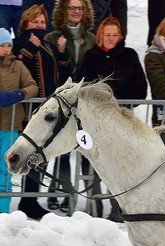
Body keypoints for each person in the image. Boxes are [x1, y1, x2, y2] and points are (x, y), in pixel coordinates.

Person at [81, 16, 147, 221]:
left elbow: (140, 88)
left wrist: (120, 100)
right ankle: (94, 205)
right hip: (94, 120)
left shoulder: (129, 55)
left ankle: (117, 207)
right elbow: (81, 85)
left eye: (114, 35)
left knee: (117, 165)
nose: (111, 38)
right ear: (100, 35)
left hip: (120, 121)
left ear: (120, 36)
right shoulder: (91, 56)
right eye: (107, 34)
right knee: (91, 162)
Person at [12, 4, 71, 219]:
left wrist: (63, 53)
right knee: (24, 154)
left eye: (42, 22)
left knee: (38, 156)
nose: (39, 26)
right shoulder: (18, 43)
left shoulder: (48, 46)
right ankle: (23, 199)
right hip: (25, 110)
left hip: (45, 111)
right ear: (26, 24)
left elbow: (63, 74)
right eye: (35, 22)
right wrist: (29, 47)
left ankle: (31, 200)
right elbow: (15, 65)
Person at [44, 0, 96, 214]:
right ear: (63, 11)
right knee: (61, 149)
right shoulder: (52, 37)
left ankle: (73, 192)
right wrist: (61, 51)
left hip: (82, 101)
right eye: (72, 8)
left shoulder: (91, 39)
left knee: (81, 145)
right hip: (60, 100)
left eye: (80, 8)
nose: (76, 12)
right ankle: (62, 191)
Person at [0, 27, 37, 215]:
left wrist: (19, 94)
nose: (6, 49)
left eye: (8, 45)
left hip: (10, 126)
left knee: (5, 172)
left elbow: (33, 87)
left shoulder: (18, 67)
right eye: (1, 45)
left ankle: (3, 212)